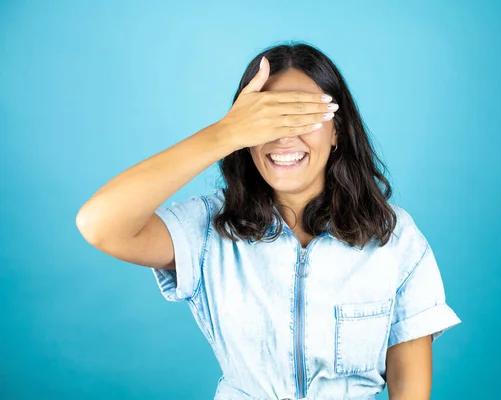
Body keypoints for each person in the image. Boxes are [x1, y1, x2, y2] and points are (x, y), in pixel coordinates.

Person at [76, 42, 462, 400]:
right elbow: (99, 223)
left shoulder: (394, 237)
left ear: (337, 132)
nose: (284, 137)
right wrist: (224, 132)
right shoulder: (208, 228)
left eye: (304, 115)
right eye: (267, 119)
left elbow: (409, 381)